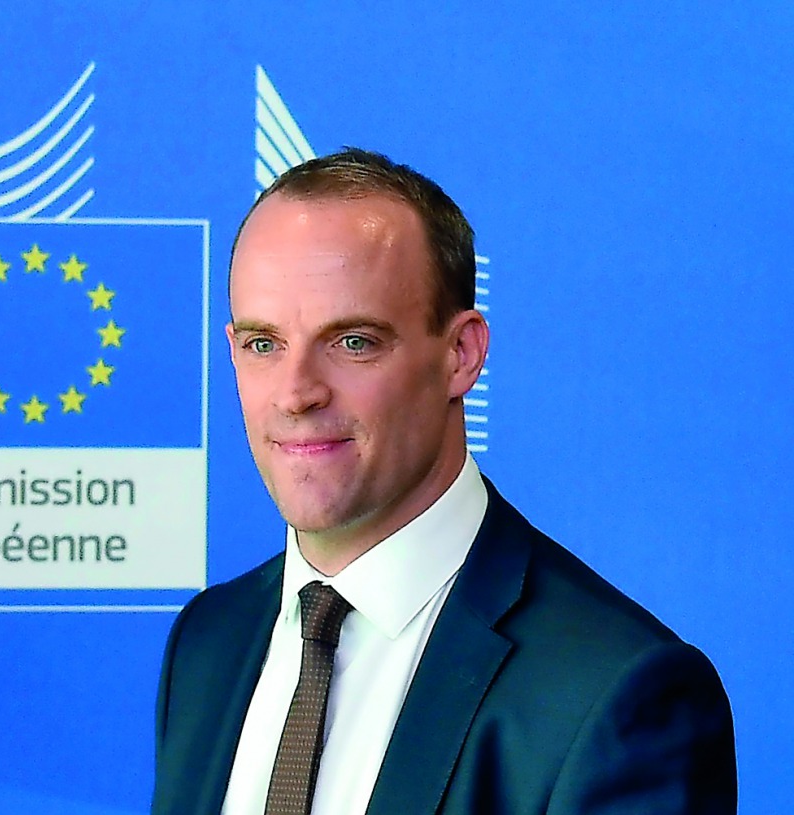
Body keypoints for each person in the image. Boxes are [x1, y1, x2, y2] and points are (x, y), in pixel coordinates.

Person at [151, 148, 735, 815]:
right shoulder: (207, 642)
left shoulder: (615, 693)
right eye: (264, 344)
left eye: (353, 342)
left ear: (462, 355)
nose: (296, 392)